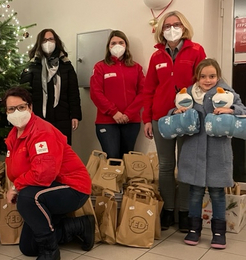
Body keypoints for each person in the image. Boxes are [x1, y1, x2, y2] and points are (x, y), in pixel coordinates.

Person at [3, 87, 94, 260]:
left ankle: (50, 252)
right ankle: (79, 226)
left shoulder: (41, 131)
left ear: (30, 107)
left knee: (28, 198)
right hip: (47, 189)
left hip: (73, 188)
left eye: (21, 107)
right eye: (11, 109)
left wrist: (16, 187)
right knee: (28, 248)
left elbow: (44, 174)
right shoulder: (14, 134)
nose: (16, 112)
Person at [142, 10, 206, 232]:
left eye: (176, 24)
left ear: (184, 26)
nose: (171, 28)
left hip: (188, 117)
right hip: (161, 118)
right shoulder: (156, 56)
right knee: (166, 166)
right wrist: (147, 119)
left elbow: (202, 84)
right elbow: (149, 89)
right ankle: (168, 210)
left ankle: (184, 211)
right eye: (167, 25)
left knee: (186, 166)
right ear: (161, 30)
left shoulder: (196, 50)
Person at [171, 59, 246, 249]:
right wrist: (176, 111)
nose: (207, 80)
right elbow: (174, 110)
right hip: (194, 150)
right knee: (195, 193)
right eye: (203, 76)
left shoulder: (227, 94)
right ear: (197, 76)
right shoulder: (187, 94)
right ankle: (194, 229)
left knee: (217, 193)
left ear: (218, 76)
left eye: (212, 76)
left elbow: (242, 109)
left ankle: (219, 232)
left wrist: (230, 110)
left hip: (217, 152)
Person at [20, 29, 82, 145]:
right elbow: (25, 92)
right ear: (39, 43)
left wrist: (75, 115)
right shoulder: (32, 66)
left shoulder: (66, 65)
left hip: (62, 116)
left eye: (50, 39)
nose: (47, 42)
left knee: (62, 151)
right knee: (41, 151)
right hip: (38, 117)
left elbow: (73, 93)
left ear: (56, 41)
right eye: (44, 40)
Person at [90, 30, 145, 159]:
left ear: (126, 46)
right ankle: (111, 180)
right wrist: (114, 112)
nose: (117, 45)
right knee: (113, 157)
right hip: (107, 121)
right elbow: (96, 93)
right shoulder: (100, 67)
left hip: (131, 121)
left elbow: (143, 93)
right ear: (108, 47)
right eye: (113, 43)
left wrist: (128, 114)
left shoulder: (136, 68)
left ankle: (125, 180)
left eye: (121, 42)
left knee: (127, 158)